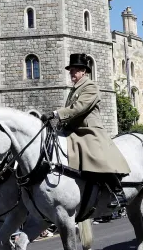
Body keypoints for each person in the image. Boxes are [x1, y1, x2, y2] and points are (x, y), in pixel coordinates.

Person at [41, 53, 131, 208]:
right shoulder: (74, 89)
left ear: (84, 71)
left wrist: (56, 114)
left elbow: (79, 107)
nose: (72, 73)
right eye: (70, 71)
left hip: (89, 130)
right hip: (74, 130)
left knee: (97, 156)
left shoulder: (90, 86)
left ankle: (118, 192)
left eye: (74, 70)